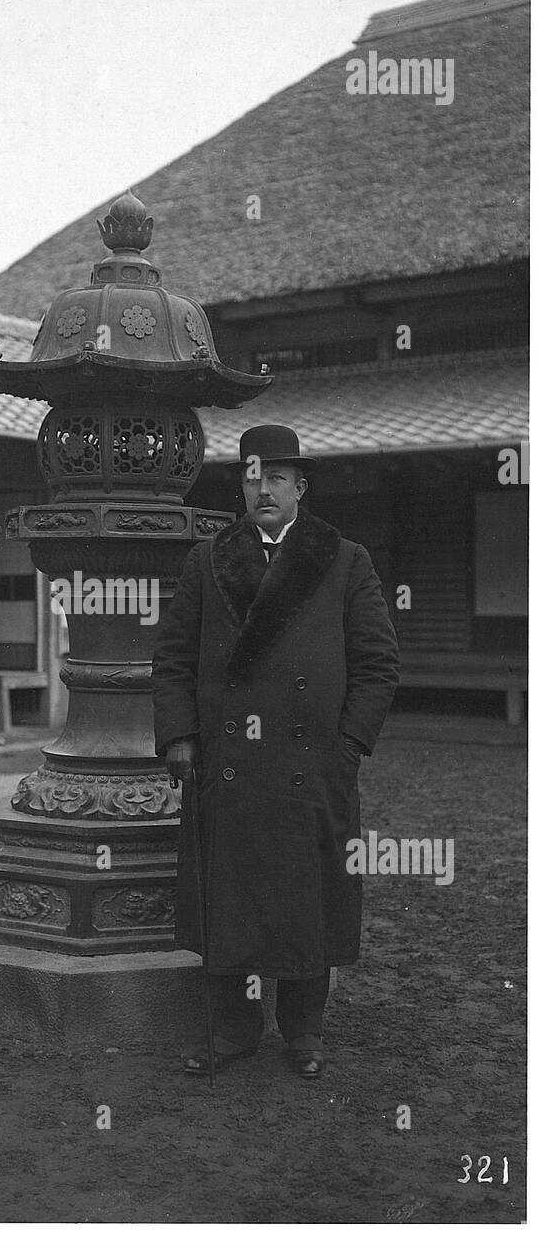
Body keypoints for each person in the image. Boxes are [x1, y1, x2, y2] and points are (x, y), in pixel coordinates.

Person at [152, 424, 400, 1078]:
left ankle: (303, 1034)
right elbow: (173, 659)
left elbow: (378, 665)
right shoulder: (206, 560)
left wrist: (346, 748)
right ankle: (231, 1033)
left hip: (310, 768)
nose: (264, 489)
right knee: (228, 900)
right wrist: (178, 734)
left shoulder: (345, 560)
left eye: (278, 479)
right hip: (228, 770)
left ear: (300, 487)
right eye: (252, 477)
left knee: (306, 904)